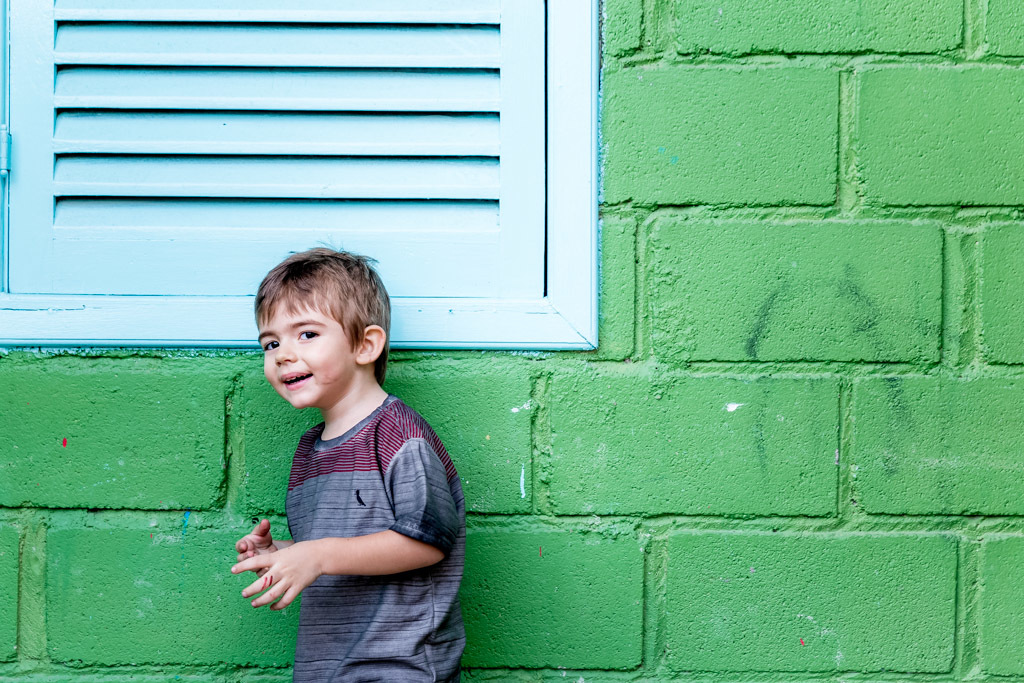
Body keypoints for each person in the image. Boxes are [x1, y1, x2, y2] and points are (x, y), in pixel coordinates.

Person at [230, 247, 465, 682]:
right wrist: (287, 554)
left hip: (399, 667)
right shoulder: (309, 451)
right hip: (330, 666)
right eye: (271, 343)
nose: (282, 354)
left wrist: (317, 556)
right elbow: (345, 548)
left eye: (306, 334)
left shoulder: (399, 436)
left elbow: (428, 542)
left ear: (365, 345)